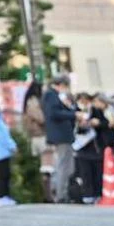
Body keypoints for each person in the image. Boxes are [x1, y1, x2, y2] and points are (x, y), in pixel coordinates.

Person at [42, 75, 78, 203]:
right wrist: (73, 114)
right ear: (61, 84)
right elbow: (54, 113)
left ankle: (60, 191)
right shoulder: (51, 95)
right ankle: (61, 194)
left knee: (63, 164)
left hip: (61, 134)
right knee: (64, 165)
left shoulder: (52, 95)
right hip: (61, 134)